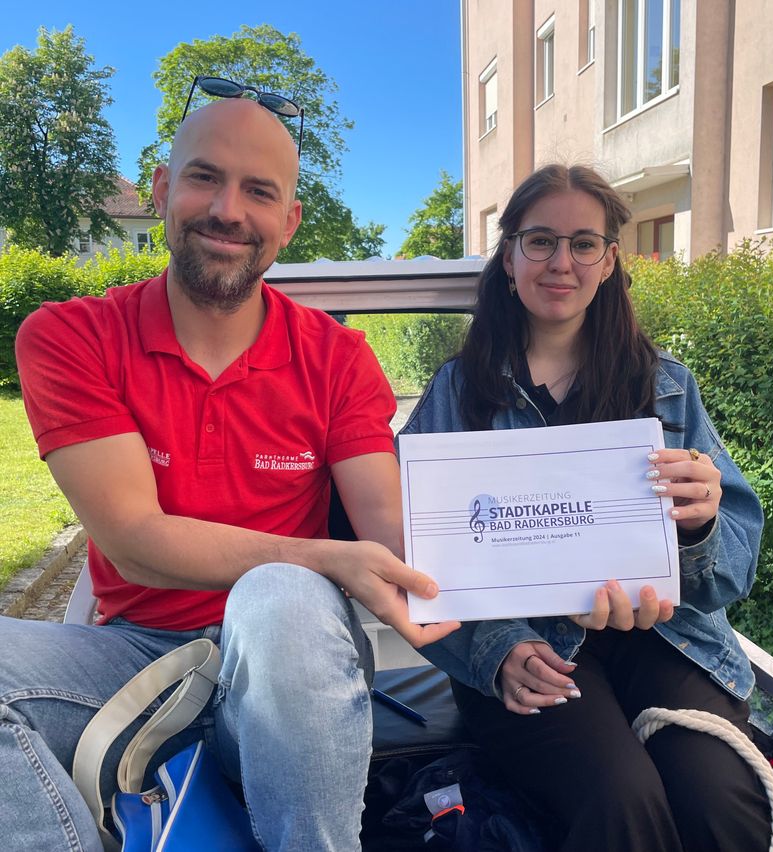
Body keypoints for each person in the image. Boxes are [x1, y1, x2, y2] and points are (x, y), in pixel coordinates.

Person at [1, 93, 457, 851]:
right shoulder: (71, 337)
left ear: (290, 222)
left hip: (292, 665)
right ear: (160, 191)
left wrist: (568, 553)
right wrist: (319, 557)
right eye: (204, 178)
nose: (226, 209)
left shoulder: (336, 358)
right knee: (288, 577)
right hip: (135, 659)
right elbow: (135, 538)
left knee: (281, 598)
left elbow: (391, 528)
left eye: (258, 191)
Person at [399, 164, 773, 851]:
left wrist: (701, 525)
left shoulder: (668, 387)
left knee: (724, 800)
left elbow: (731, 574)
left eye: (583, 244)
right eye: (540, 241)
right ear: (509, 257)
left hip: (665, 638)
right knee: (619, 799)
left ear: (609, 260)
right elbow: (412, 555)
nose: (562, 262)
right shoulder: (456, 393)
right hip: (528, 650)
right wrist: (496, 650)